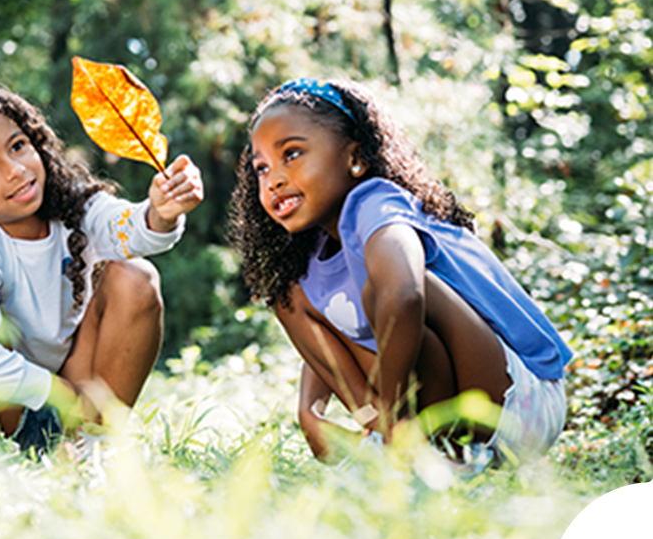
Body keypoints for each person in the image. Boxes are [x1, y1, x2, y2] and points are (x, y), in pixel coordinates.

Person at [231, 78, 572, 466]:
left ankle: (410, 439)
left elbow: (407, 295)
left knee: (392, 287)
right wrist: (310, 411)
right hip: (453, 405)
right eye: (260, 168)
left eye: (291, 154)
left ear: (355, 157)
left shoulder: (376, 204)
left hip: (522, 402)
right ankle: (391, 437)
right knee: (287, 296)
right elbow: (328, 339)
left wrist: (395, 409)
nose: (273, 179)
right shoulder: (310, 263)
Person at [0, 81, 204, 452]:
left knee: (136, 276)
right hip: (2, 408)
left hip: (73, 380)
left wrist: (162, 212)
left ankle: (95, 447)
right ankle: (4, 456)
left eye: (18, 146)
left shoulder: (71, 205)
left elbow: (133, 230)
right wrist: (55, 392)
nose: (15, 170)